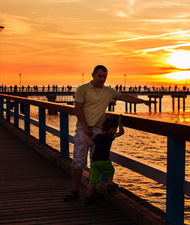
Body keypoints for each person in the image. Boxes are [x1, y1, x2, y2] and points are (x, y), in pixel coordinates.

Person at [64, 65, 155, 201]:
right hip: (84, 129)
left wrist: (144, 101)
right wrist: (85, 127)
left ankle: (94, 189)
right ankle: (74, 190)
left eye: (104, 77)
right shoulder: (82, 89)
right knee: (78, 161)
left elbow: (125, 97)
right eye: (99, 76)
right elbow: (78, 109)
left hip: (99, 130)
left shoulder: (108, 91)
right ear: (93, 75)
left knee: (97, 161)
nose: (102, 79)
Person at [84, 116, 124, 204]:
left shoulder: (98, 136)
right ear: (111, 129)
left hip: (94, 162)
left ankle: (88, 197)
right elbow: (121, 132)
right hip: (104, 160)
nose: (116, 131)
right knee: (110, 170)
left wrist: (86, 136)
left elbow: (90, 144)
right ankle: (109, 185)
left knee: (92, 180)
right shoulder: (110, 136)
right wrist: (120, 123)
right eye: (115, 129)